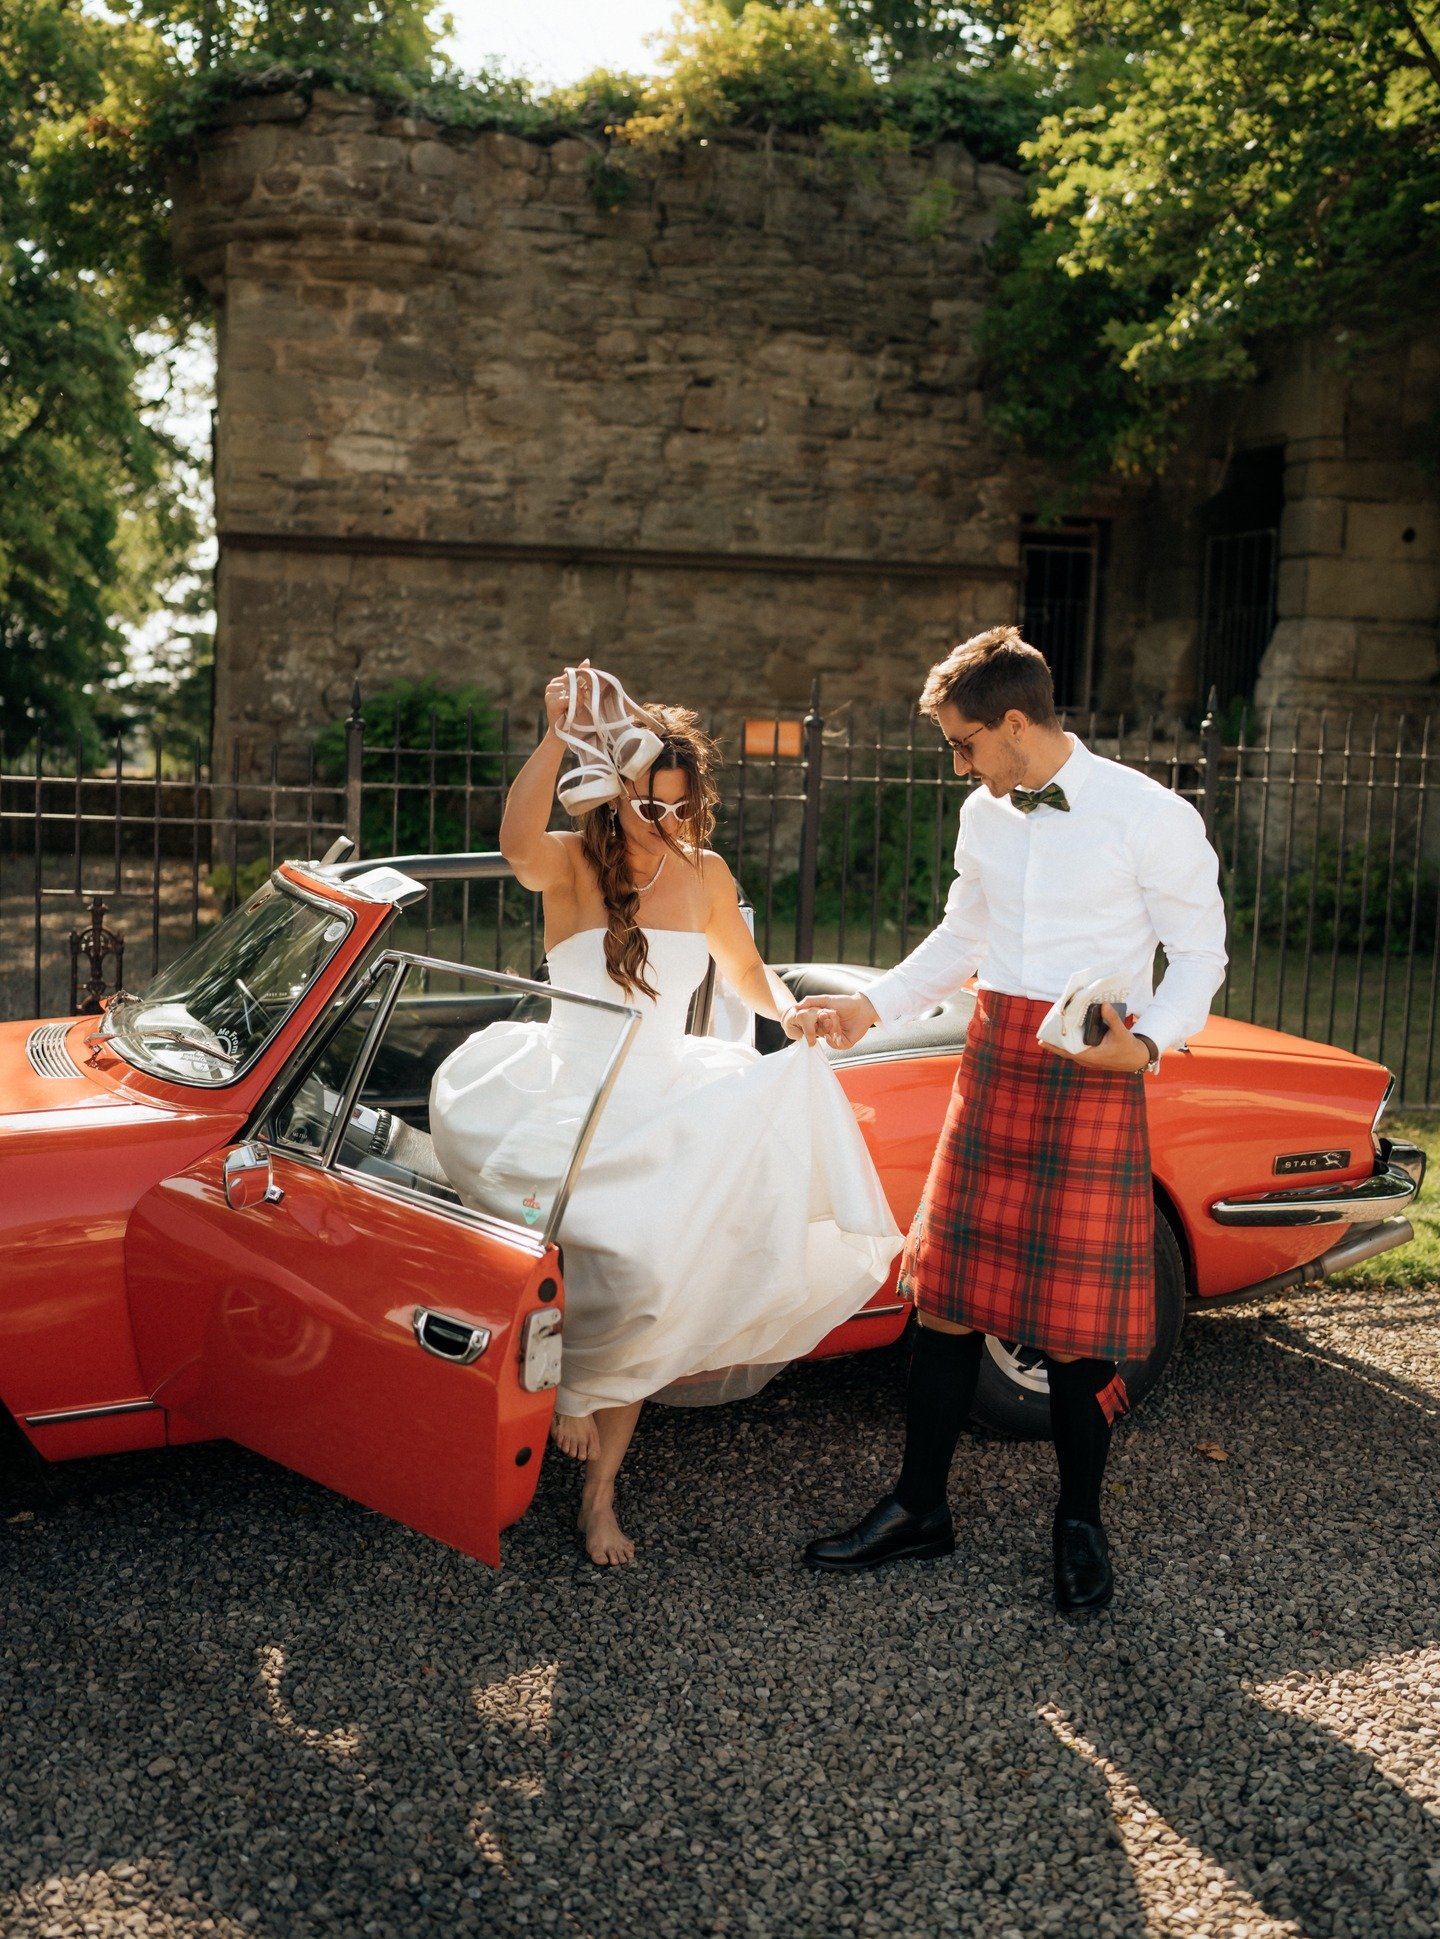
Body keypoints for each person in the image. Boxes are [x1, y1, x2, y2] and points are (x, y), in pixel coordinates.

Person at [429, 668, 902, 1567]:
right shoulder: (570, 862)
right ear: (616, 791)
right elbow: (511, 838)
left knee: (655, 1276)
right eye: (654, 808)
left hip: (664, 1097)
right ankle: (569, 1388)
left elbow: (748, 975)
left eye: (684, 809)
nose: (670, 825)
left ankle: (599, 1492)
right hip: (569, 1096)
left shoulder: (706, 873)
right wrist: (555, 736)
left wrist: (789, 1012)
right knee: (587, 1264)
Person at [798, 627, 1227, 1612]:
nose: (960, 762)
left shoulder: (1147, 815)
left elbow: (1199, 952)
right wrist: (874, 1005)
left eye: (965, 743)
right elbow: (965, 931)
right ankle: (918, 1507)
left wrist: (1151, 1043)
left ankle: (1080, 1526)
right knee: (943, 1293)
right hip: (996, 1058)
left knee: (1078, 1329)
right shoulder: (984, 815)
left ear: (1017, 723)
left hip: (1089, 1065)